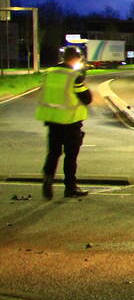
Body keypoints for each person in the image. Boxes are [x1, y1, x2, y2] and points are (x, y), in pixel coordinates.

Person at [36, 46, 93, 199]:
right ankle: (70, 187)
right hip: (70, 121)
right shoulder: (74, 76)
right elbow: (87, 98)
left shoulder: (48, 73)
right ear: (75, 58)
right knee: (70, 156)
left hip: (52, 120)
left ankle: (48, 180)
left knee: (53, 153)